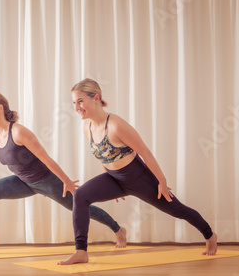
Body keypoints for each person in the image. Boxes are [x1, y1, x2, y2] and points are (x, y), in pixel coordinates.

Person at [58, 79, 217, 265]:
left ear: (96, 98)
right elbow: (103, 156)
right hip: (114, 179)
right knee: (80, 195)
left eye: (80, 101)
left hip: (139, 179)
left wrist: (162, 182)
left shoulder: (116, 124)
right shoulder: (87, 128)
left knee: (177, 209)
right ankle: (81, 251)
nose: (76, 107)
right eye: (74, 103)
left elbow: (145, 153)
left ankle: (209, 235)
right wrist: (108, 182)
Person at [0, 91, 127, 254]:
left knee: (80, 206)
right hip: (23, 182)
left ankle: (118, 229)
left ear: (0, 108)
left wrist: (65, 181)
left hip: (46, 181)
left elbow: (45, 158)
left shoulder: (18, 132)